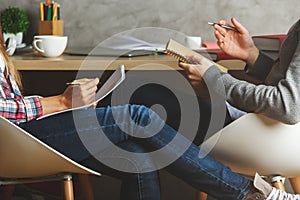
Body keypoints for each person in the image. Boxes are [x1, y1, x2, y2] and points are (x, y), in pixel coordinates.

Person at [0, 21, 298, 200]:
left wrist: (221, 77)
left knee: (139, 152)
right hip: (16, 139)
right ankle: (246, 193)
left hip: (23, 132)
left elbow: (288, 102)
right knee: (139, 114)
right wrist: (59, 103)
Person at [179, 17, 300, 199]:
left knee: (154, 103)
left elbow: (287, 106)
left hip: (272, 141)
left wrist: (216, 80)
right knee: (146, 112)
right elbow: (292, 90)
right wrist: (251, 55)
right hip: (287, 145)